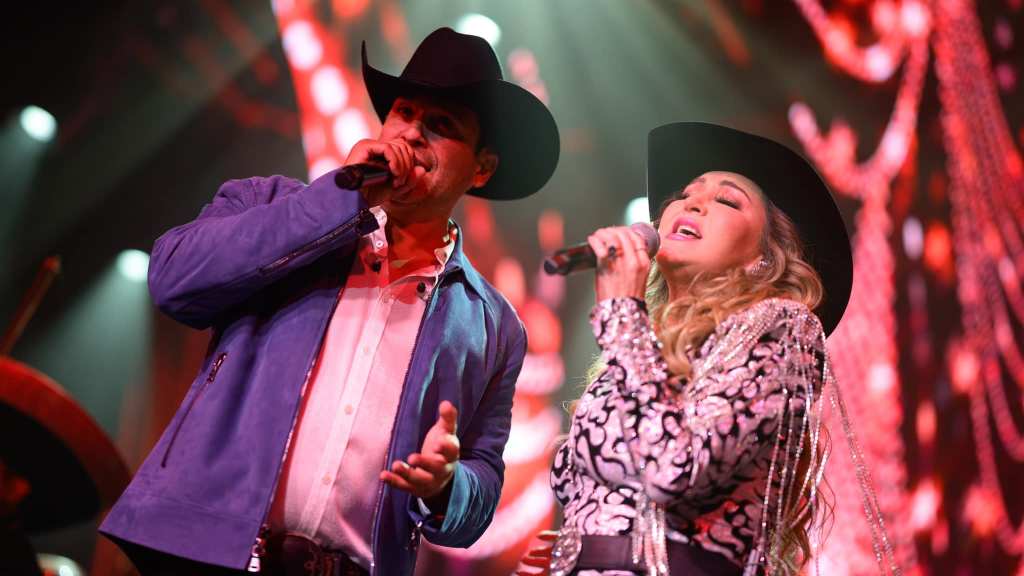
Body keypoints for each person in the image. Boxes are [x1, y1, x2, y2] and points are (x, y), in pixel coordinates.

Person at [99, 27, 560, 576]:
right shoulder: (271, 203)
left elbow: (480, 490)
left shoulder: (494, 326)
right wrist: (342, 197)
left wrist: (446, 487)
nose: (413, 134)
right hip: (208, 555)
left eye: (442, 125)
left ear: (481, 168)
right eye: (405, 112)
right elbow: (174, 280)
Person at [537, 122, 895, 576]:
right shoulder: (637, 348)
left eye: (727, 200)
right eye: (685, 194)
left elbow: (672, 470)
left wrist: (622, 313)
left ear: (763, 257)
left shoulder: (781, 330)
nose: (692, 202)